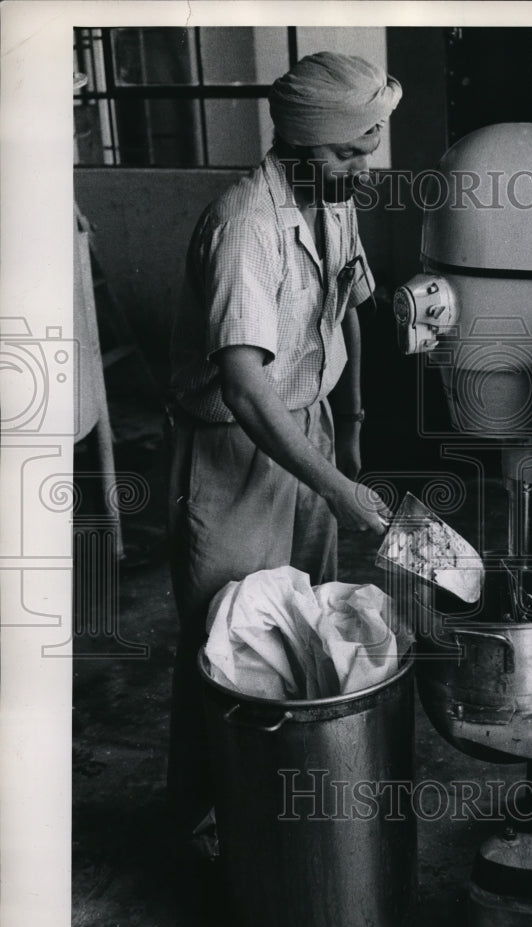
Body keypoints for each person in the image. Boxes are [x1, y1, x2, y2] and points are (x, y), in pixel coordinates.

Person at [165, 51, 402, 850]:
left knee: (305, 622)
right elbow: (242, 386)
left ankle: (285, 803)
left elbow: (348, 314)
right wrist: (336, 487)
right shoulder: (245, 226)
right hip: (237, 452)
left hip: (309, 433)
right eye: (347, 152)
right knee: (223, 637)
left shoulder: (331, 197)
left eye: (367, 150)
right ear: (300, 143)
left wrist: (355, 425)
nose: (359, 168)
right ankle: (203, 820)